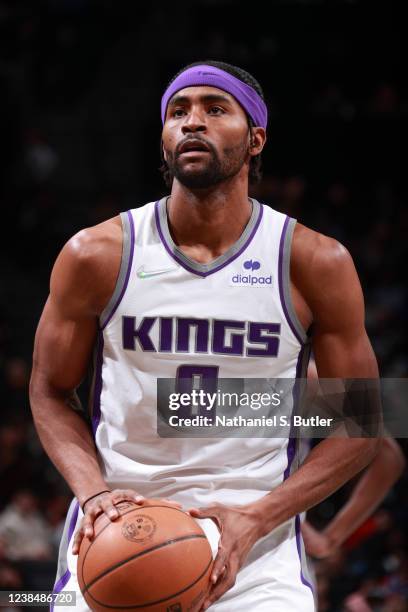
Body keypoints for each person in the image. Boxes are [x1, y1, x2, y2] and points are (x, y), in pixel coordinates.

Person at [30, 60, 380, 611]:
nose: (193, 122)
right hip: (117, 533)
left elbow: (363, 423)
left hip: (257, 553)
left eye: (215, 109)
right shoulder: (97, 254)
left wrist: (260, 515)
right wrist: (91, 492)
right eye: (178, 111)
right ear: (164, 138)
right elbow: (49, 391)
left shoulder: (313, 262)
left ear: (256, 139)